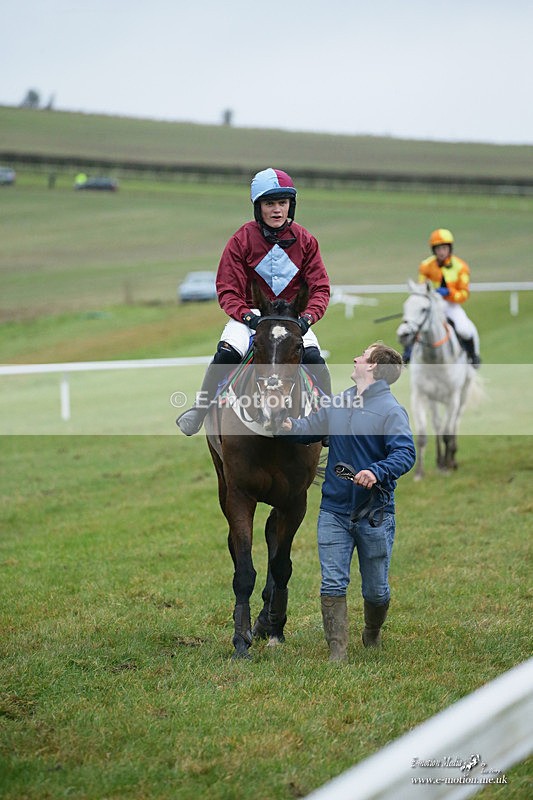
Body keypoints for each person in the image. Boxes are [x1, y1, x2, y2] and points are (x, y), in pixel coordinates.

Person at [280, 343, 415, 661]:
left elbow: (405, 453)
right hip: (334, 510)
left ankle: (372, 632)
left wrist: (376, 471)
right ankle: (337, 651)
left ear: (373, 368)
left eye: (363, 356)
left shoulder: (391, 411)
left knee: (376, 591)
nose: (355, 358)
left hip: (375, 514)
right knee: (332, 580)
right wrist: (286, 427)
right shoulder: (340, 402)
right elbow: (309, 428)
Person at [177, 168, 331, 435]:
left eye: (282, 203)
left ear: (290, 205)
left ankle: (328, 421)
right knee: (226, 353)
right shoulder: (241, 240)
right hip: (249, 317)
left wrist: (307, 319)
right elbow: (227, 289)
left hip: (292, 321)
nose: (277, 210)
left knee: (316, 359)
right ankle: (200, 409)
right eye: (269, 203)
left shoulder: (306, 241)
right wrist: (247, 317)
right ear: (258, 207)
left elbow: (321, 288)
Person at [404, 228, 481, 367]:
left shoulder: (461, 266)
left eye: (444, 248)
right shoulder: (426, 265)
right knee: (415, 323)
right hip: (432, 305)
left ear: (449, 248)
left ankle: (473, 356)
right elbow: (422, 288)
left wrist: (449, 293)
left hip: (451, 305)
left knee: (465, 329)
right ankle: (408, 353)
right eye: (438, 248)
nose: (441, 252)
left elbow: (464, 294)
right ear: (434, 250)